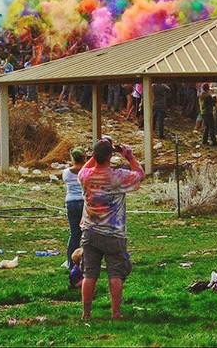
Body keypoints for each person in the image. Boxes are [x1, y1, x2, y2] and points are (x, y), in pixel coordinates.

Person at [79, 137, 145, 320]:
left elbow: (84, 168)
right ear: (110, 156)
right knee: (115, 273)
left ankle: (86, 313)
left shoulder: (85, 176)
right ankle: (115, 312)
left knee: (89, 273)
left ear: (94, 155)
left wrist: (97, 152)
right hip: (113, 233)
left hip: (90, 230)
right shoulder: (117, 176)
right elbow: (140, 175)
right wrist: (130, 157)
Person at [63, 148, 86, 270]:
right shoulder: (87, 171)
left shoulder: (66, 172)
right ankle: (86, 260)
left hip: (71, 201)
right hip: (84, 201)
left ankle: (70, 262)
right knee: (86, 233)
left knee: (74, 233)